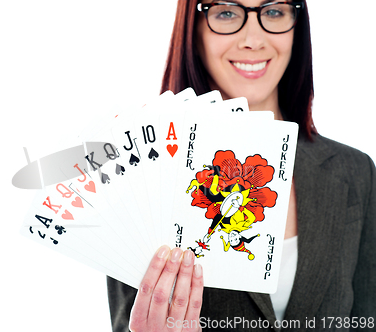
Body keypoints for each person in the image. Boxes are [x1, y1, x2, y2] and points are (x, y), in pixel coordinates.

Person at [107, 1, 376, 331]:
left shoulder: (355, 171)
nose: (253, 38)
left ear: (297, 25)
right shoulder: (147, 177)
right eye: (226, 12)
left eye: (274, 12)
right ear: (193, 29)